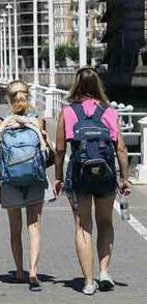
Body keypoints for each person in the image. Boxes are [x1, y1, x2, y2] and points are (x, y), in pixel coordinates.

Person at [54, 67, 130, 295]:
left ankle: (88, 282)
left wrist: (58, 177)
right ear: (98, 85)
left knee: (83, 225)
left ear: (76, 85)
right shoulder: (109, 111)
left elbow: (59, 150)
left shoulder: (68, 112)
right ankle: (104, 272)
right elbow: (122, 149)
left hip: (78, 176)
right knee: (105, 222)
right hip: (105, 175)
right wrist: (124, 178)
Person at [0, 80, 54, 291]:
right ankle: (33, 270)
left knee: (14, 228)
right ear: (27, 96)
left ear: (7, 98)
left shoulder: (1, 122)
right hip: (35, 179)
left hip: (10, 180)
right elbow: (46, 153)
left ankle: (19, 271)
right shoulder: (37, 120)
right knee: (34, 226)